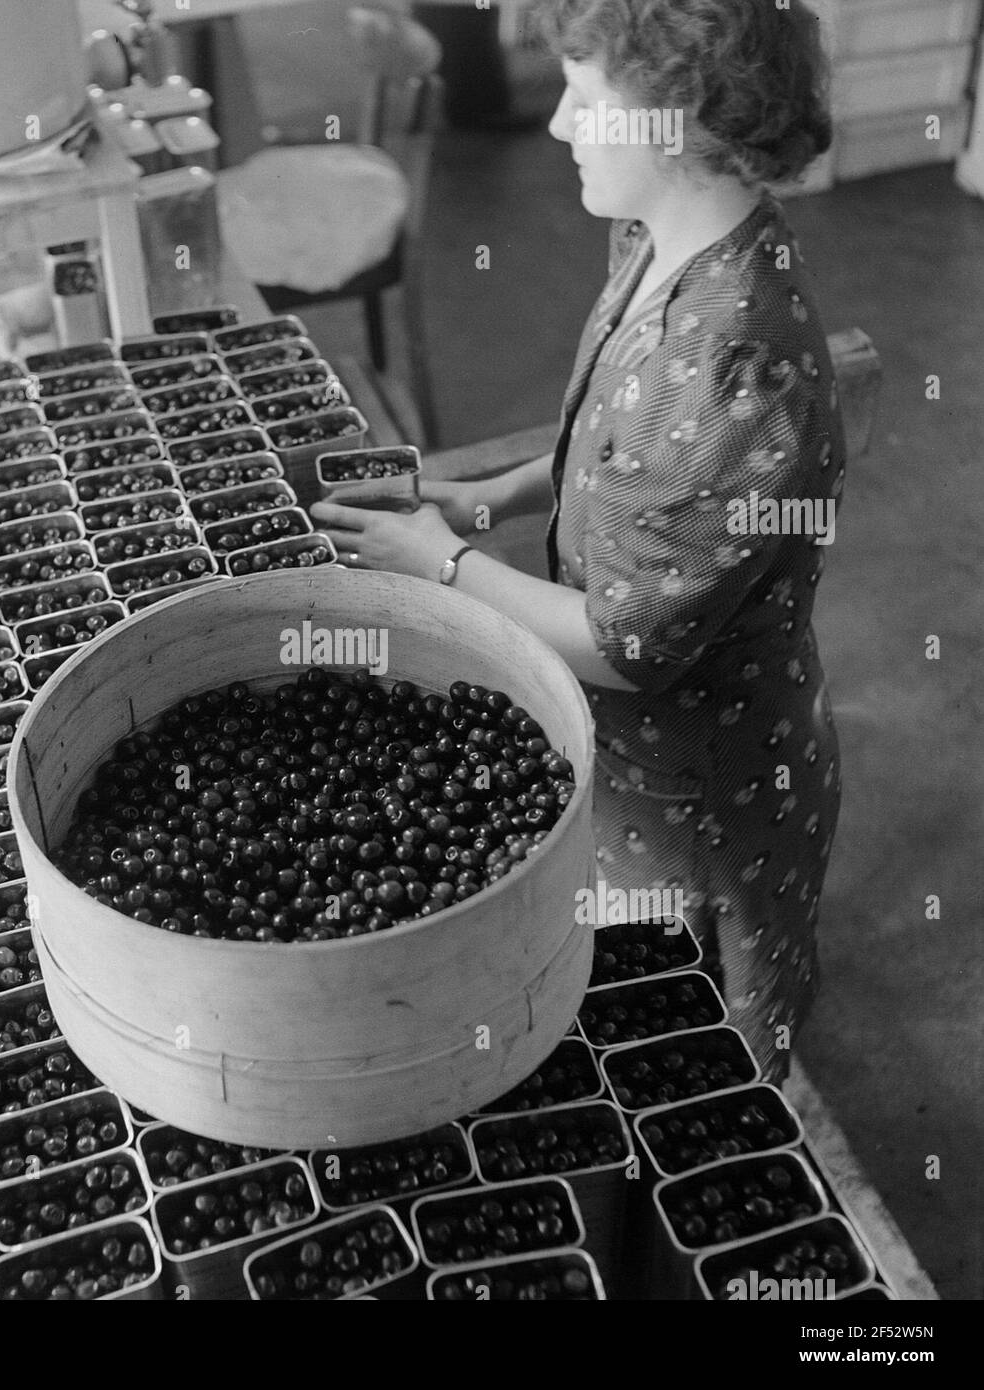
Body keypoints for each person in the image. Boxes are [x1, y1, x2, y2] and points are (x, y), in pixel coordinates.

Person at [311, 0, 843, 1080]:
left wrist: (443, 568)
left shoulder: (730, 365)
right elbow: (604, 446)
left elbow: (624, 644)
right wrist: (495, 497)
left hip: (703, 790)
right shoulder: (658, 239)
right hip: (629, 756)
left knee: (704, 1048)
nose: (556, 124)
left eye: (585, 95)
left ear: (674, 119)